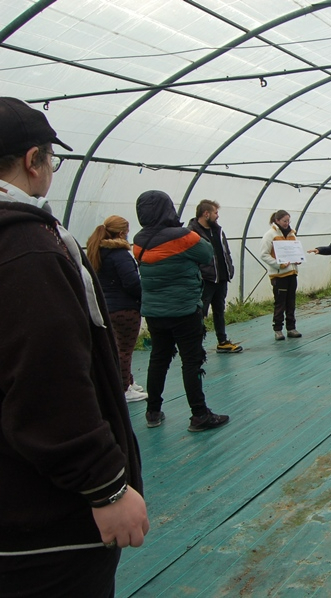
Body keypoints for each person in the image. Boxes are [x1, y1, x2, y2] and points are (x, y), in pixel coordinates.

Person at [0, 96, 149, 597]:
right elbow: (48, 384)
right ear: (32, 160)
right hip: (40, 526)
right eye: (51, 159)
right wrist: (106, 486)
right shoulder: (26, 251)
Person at [133, 190, 230, 432]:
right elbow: (207, 254)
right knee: (191, 361)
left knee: (158, 359)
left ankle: (152, 411)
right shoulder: (183, 237)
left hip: (154, 313)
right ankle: (199, 414)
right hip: (184, 311)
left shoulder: (138, 240)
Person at [86, 215, 149, 403]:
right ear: (122, 233)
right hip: (125, 309)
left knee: (116, 347)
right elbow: (131, 283)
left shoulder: (97, 252)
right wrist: (143, 296)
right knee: (125, 350)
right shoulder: (120, 254)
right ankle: (123, 389)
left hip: (106, 308)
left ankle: (127, 381)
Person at [188, 199, 242, 354]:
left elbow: (225, 252)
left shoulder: (218, 230)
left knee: (219, 310)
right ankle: (195, 345)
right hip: (205, 280)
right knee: (199, 312)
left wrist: (229, 269)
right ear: (206, 214)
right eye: (215, 212)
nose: (217, 216)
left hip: (221, 278)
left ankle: (222, 341)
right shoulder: (192, 233)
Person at [259, 210, 302, 341]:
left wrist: (298, 258)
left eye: (288, 221)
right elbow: (263, 254)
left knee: (291, 302)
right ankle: (278, 329)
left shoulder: (292, 234)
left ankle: (291, 328)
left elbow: (295, 250)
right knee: (280, 303)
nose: (287, 223)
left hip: (292, 274)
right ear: (277, 221)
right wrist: (279, 264)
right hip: (279, 276)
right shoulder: (270, 235)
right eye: (284, 221)